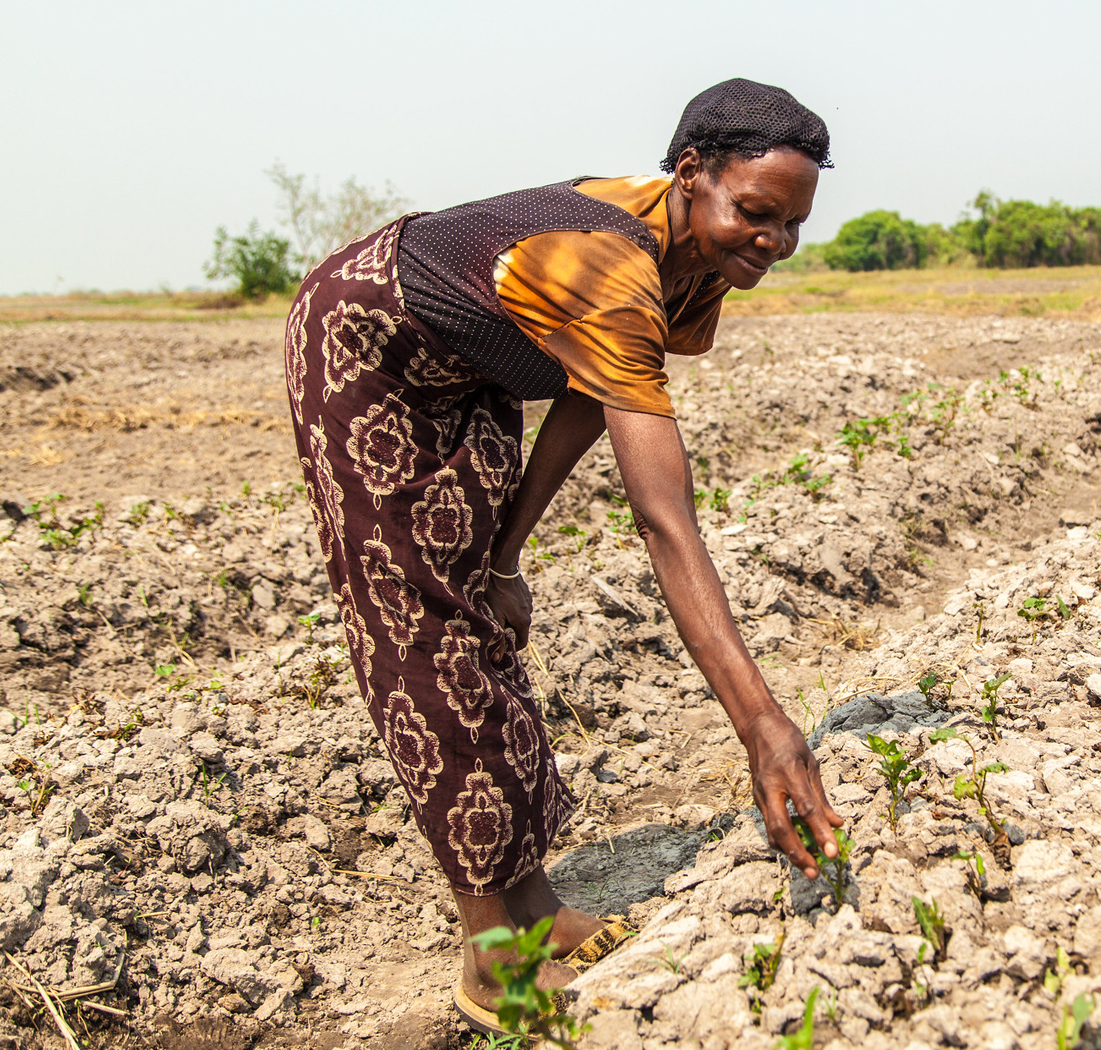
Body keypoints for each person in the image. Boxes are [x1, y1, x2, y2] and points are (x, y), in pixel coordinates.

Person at [281, 79, 844, 1033]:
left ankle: (534, 911)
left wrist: (504, 550)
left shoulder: (695, 252)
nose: (774, 244)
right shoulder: (609, 263)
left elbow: (592, 388)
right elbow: (666, 519)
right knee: (425, 634)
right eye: (757, 214)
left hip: (477, 368)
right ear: (690, 172)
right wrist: (763, 726)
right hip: (367, 345)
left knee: (480, 613)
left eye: (792, 225)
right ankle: (495, 962)